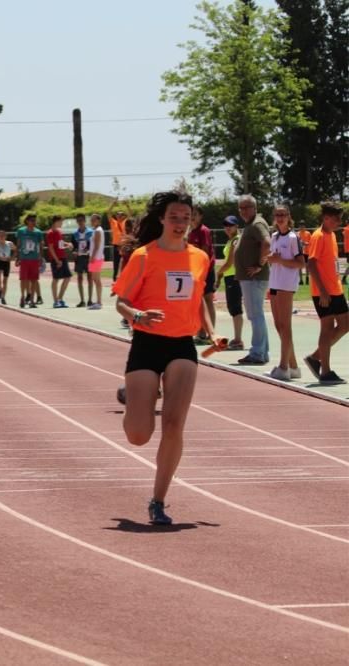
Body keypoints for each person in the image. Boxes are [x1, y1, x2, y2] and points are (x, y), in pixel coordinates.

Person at [112, 190, 223, 525]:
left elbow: (201, 299)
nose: (180, 224)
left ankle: (158, 500)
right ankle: (132, 397)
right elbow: (121, 301)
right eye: (174, 217)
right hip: (147, 343)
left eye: (185, 218)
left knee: (174, 424)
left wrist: (211, 331)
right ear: (162, 219)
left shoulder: (200, 258)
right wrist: (137, 315)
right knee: (138, 435)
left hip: (182, 346)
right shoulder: (144, 256)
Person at [303, 202, 348, 384]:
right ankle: (325, 371)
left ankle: (315, 357)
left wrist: (342, 271)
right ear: (326, 218)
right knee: (327, 327)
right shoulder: (318, 236)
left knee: (345, 324)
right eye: (336, 219)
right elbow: (311, 263)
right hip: (324, 291)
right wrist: (322, 291)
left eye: (340, 219)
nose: (338, 222)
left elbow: (333, 261)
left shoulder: (331, 235)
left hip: (336, 288)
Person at [264, 205, 305, 380]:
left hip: (286, 284)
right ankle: (293, 366)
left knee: (285, 325)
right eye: (277, 215)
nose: (280, 218)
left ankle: (283, 366)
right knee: (278, 325)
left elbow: (301, 263)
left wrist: (279, 260)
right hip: (274, 282)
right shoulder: (274, 236)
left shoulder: (293, 238)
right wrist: (271, 261)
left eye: (283, 215)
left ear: (289, 216)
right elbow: (273, 258)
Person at [233, 195, 271, 365]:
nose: (243, 211)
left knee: (255, 315)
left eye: (247, 207)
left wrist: (259, 265)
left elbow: (267, 243)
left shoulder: (257, 224)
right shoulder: (251, 224)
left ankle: (257, 353)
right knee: (256, 315)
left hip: (254, 278)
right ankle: (262, 352)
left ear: (255, 208)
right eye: (241, 208)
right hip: (250, 278)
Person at [214, 216, 245, 351]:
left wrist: (218, 274)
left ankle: (238, 339)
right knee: (233, 308)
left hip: (234, 276)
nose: (227, 227)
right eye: (225, 225)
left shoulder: (236, 240)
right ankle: (237, 338)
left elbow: (229, 263)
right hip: (230, 276)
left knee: (235, 308)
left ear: (236, 226)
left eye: (231, 225)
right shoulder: (231, 241)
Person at [187, 205, 216, 343]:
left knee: (208, 300)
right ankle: (200, 331)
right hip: (195, 272)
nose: (193, 216)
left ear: (201, 216)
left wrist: (204, 271)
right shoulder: (190, 232)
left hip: (206, 271)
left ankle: (211, 333)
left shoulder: (204, 231)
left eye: (196, 214)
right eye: (191, 214)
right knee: (197, 301)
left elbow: (205, 253)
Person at [16, 214, 45, 308]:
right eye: (32, 220)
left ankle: (32, 300)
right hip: (24, 259)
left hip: (34, 259)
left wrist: (40, 257)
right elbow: (19, 245)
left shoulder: (38, 232)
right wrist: (17, 257)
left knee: (34, 280)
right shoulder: (21, 231)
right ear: (27, 221)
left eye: (34, 220)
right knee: (23, 279)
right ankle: (22, 297)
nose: (33, 222)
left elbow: (41, 246)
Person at [45, 215, 72, 308]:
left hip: (63, 257)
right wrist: (57, 260)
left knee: (67, 277)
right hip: (56, 259)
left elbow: (60, 242)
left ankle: (60, 299)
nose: (62, 223)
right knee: (56, 279)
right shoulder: (50, 233)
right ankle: (55, 301)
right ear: (56, 221)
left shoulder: (59, 232)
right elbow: (51, 248)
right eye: (61, 222)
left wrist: (67, 244)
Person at [107, 198, 133, 281]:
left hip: (124, 246)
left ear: (123, 216)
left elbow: (131, 214)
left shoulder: (125, 222)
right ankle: (115, 280)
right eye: (118, 214)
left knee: (125, 263)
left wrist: (127, 205)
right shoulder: (113, 222)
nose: (119, 215)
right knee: (116, 264)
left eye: (121, 214)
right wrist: (113, 204)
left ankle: (124, 279)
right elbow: (108, 212)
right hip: (116, 246)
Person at [71, 214, 93, 307]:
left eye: (81, 220)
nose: (80, 222)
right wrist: (74, 251)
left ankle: (90, 300)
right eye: (78, 220)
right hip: (79, 258)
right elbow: (73, 246)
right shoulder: (75, 234)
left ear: (85, 221)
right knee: (79, 278)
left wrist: (89, 250)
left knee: (90, 278)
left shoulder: (91, 232)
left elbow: (93, 245)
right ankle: (82, 300)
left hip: (88, 257)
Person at [0, 229, 15, 305]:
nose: (1, 237)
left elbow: (16, 250)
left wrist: (12, 258)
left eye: (3, 236)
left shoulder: (10, 244)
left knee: (5, 281)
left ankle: (3, 297)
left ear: (6, 236)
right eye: (0, 236)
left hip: (7, 263)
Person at [87, 213, 105, 309]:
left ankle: (99, 302)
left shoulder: (98, 230)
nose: (92, 221)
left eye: (94, 220)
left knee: (96, 279)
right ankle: (98, 301)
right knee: (95, 279)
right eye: (91, 219)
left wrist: (92, 256)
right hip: (96, 257)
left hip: (97, 257)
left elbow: (97, 246)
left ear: (98, 220)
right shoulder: (96, 230)